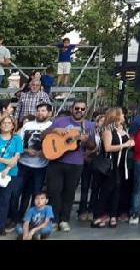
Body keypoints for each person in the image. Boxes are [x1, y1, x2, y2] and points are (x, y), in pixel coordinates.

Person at [42, 99, 96, 232]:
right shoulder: (60, 121)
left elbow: (92, 146)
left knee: (69, 193)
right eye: (77, 108)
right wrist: (55, 130)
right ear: (72, 109)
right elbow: (43, 135)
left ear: (85, 110)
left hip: (76, 163)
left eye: (82, 109)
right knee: (54, 191)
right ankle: (53, 220)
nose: (79, 111)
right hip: (56, 161)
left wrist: (87, 140)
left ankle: (64, 220)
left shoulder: (88, 126)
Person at [93, 107, 133, 228]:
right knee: (107, 190)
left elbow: (127, 141)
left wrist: (130, 143)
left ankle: (113, 215)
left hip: (121, 164)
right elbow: (108, 147)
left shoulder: (122, 128)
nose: (124, 117)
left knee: (117, 190)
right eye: (121, 115)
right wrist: (124, 145)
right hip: (110, 164)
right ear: (116, 116)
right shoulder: (107, 129)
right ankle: (98, 216)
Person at [13, 102, 52, 224]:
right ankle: (15, 218)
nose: (40, 113)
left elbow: (55, 146)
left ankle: (30, 220)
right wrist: (25, 150)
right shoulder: (27, 125)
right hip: (23, 165)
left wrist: (44, 152)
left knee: (36, 195)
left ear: (49, 113)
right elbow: (17, 142)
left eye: (43, 111)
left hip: (40, 167)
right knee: (16, 193)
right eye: (38, 110)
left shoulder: (52, 126)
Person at [0, 115, 23, 235]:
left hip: (9, 174)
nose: (6, 125)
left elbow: (16, 159)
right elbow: (11, 159)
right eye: (3, 122)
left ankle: (1, 227)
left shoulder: (16, 139)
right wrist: (6, 160)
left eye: (9, 123)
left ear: (13, 125)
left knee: (4, 201)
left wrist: (7, 168)